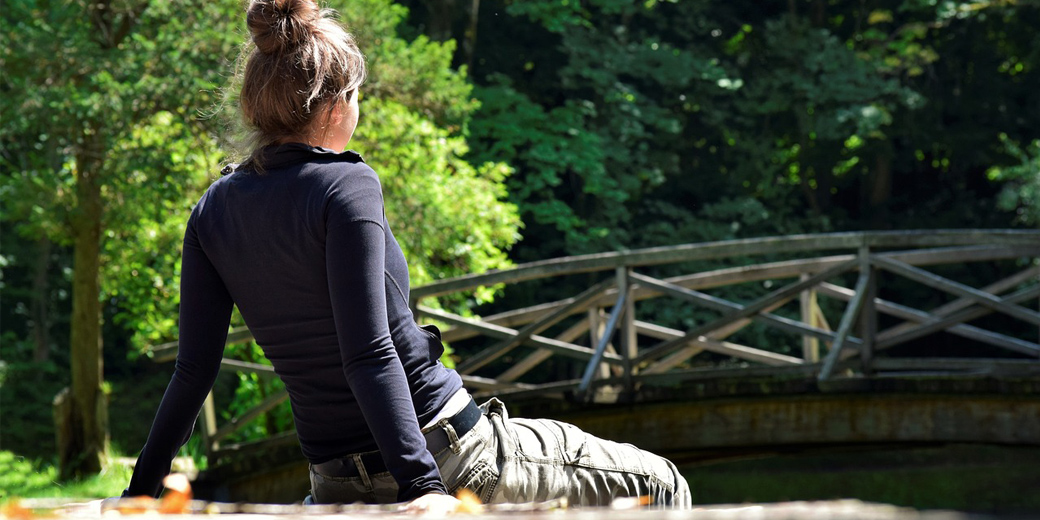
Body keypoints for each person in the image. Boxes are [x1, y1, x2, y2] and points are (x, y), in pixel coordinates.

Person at [122, 0, 691, 512]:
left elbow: (194, 371)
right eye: (357, 96)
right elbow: (368, 351)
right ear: (333, 105)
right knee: (663, 484)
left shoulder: (213, 209)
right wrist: (425, 491)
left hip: (334, 481)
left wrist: (138, 495)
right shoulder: (346, 185)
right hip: (450, 456)